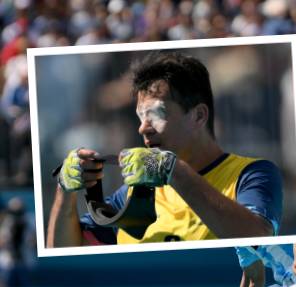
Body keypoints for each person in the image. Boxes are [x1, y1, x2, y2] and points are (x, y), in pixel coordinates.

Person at [47, 51, 282, 246]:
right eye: (140, 117)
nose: (143, 128)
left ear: (199, 116)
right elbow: (61, 260)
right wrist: (65, 192)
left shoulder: (253, 174)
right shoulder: (131, 194)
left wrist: (174, 170)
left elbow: (258, 239)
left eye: (156, 114)